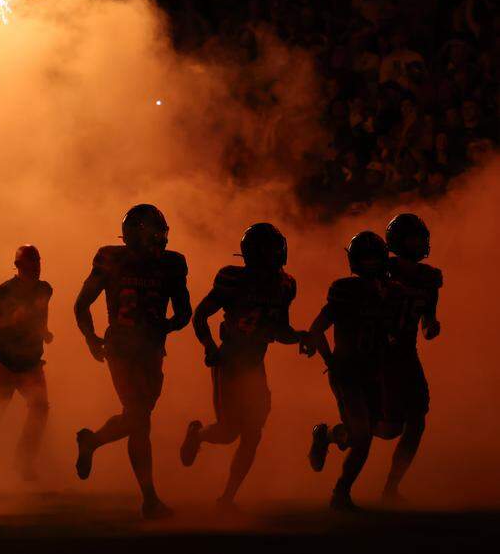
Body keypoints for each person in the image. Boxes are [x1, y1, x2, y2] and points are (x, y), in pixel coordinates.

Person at [72, 204, 192, 519]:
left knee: (137, 417)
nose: (160, 240)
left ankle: (92, 442)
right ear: (135, 235)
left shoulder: (172, 264)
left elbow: (184, 313)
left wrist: (163, 327)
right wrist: (91, 338)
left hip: (151, 351)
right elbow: (81, 303)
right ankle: (150, 499)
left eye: (160, 233)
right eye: (153, 233)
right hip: (122, 348)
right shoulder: (112, 258)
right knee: (140, 419)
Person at [180, 223, 304, 510]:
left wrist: (300, 336)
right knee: (227, 432)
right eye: (271, 250)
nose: (277, 255)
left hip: (255, 364)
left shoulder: (285, 284)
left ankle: (228, 496)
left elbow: (280, 329)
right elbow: (201, 314)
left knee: (253, 433)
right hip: (230, 361)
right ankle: (197, 434)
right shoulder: (233, 279)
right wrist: (210, 347)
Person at [304, 231, 406, 511]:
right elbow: (317, 328)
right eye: (366, 258)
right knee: (362, 437)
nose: (372, 264)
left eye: (376, 258)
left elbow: (394, 333)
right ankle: (340, 493)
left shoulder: (393, 292)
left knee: (374, 432)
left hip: (373, 371)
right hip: (347, 372)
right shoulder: (345, 290)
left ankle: (325, 436)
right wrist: (330, 360)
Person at [0, 245, 54, 481]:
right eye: (30, 263)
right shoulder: (3, 292)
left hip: (29, 362)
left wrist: (44, 331)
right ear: (18, 266)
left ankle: (23, 462)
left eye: (38, 262)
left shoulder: (45, 289)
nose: (36, 267)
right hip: (2, 362)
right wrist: (9, 320)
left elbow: (41, 313)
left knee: (40, 409)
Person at [380, 213, 442, 502]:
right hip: (378, 351)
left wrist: (430, 325)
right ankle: (332, 434)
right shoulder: (383, 270)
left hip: (406, 351)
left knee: (416, 419)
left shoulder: (429, 277)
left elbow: (427, 316)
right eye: (414, 238)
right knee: (388, 427)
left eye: (421, 238)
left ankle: (392, 487)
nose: (420, 244)